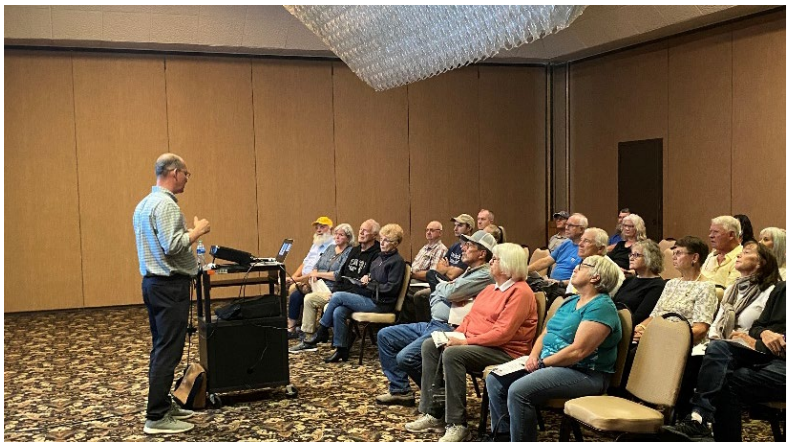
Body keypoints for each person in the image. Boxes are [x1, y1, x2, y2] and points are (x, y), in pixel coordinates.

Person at [404, 243, 538, 442]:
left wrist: (465, 342)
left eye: (496, 259)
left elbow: (502, 334)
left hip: (506, 351)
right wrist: (455, 336)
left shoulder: (520, 292)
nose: (490, 262)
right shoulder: (491, 289)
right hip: (481, 344)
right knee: (431, 345)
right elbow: (469, 319)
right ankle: (435, 412)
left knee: (453, 354)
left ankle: (457, 423)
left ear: (509, 265)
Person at [486, 255, 623, 442]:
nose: (575, 268)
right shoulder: (570, 301)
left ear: (596, 277)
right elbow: (546, 332)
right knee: (495, 379)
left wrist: (542, 363)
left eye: (582, 266)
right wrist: (533, 357)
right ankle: (502, 436)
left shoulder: (602, 307)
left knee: (519, 391)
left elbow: (578, 351)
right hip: (551, 364)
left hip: (584, 373)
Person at [133, 153, 210, 435]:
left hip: (153, 284)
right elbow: (172, 246)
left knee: (161, 347)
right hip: (169, 287)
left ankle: (163, 405)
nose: (188, 179)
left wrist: (185, 234)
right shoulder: (166, 206)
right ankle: (156, 416)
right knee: (169, 350)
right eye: (186, 174)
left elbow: (161, 243)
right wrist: (197, 232)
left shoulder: (144, 205)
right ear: (174, 172)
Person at [374, 230, 496, 407]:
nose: (462, 248)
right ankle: (401, 391)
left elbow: (449, 292)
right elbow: (445, 292)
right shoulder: (470, 271)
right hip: (434, 323)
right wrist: (444, 288)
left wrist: (443, 288)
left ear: (482, 253)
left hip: (450, 327)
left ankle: (441, 397)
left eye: (468, 245)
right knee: (386, 335)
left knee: (406, 357)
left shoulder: (484, 274)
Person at [662, 282, 785, 442]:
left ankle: (700, 421)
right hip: (766, 352)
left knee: (724, 378)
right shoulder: (782, 288)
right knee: (718, 347)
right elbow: (757, 326)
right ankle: (699, 418)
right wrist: (765, 333)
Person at [311, 223, 406, 363]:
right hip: (370, 297)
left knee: (337, 296)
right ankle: (341, 349)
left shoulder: (397, 262)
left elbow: (391, 288)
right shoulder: (379, 258)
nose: (382, 243)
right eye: (382, 239)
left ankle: (322, 329)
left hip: (381, 303)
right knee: (339, 310)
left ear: (396, 243)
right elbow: (374, 277)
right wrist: (368, 277)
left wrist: (371, 284)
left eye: (387, 240)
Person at [302, 219, 381, 346]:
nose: (361, 232)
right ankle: (340, 349)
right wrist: (336, 291)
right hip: (342, 293)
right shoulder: (355, 251)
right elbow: (341, 275)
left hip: (363, 296)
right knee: (314, 300)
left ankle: (322, 330)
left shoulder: (377, 254)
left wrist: (339, 293)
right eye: (360, 229)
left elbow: (369, 282)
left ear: (374, 235)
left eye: (365, 231)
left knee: (337, 299)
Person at [632, 236, 717, 346]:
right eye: (674, 253)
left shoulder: (706, 287)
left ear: (695, 258)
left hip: (681, 345)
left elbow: (700, 329)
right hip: (657, 338)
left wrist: (660, 335)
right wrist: (639, 329)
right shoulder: (671, 283)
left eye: (679, 253)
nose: (674, 257)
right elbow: (654, 316)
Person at [288, 223, 354, 353]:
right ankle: (307, 337)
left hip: (334, 289)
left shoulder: (349, 252)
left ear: (348, 237)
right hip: (318, 285)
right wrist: (314, 273)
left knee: (309, 299)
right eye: (336, 234)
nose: (337, 237)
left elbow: (338, 275)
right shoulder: (330, 248)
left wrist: (318, 274)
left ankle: (310, 338)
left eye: (341, 235)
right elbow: (316, 265)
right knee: (297, 292)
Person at [707, 241, 780, 342]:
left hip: (749, 348)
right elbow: (716, 324)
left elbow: (765, 330)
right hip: (720, 344)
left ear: (760, 263)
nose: (738, 255)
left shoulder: (770, 291)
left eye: (746, 252)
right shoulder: (731, 289)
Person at [286, 217, 335, 338]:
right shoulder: (316, 244)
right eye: (317, 227)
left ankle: (303, 327)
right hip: (307, 280)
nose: (319, 230)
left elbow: (317, 271)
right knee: (293, 291)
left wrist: (296, 280)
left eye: (322, 227)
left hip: (321, 283)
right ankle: (293, 327)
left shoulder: (332, 246)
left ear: (331, 229)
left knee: (295, 289)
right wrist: (293, 276)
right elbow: (305, 263)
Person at [613, 239, 666, 324]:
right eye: (631, 254)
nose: (631, 258)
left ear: (650, 258)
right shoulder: (629, 280)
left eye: (636, 255)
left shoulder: (657, 285)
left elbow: (640, 316)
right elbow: (614, 303)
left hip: (627, 327)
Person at [528, 213, 587, 287]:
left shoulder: (586, 250)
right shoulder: (566, 243)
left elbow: (584, 280)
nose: (566, 228)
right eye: (566, 225)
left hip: (567, 288)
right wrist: (525, 270)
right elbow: (545, 261)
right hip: (553, 284)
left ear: (581, 229)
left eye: (570, 226)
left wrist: (560, 283)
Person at [701, 215, 743, 288]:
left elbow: (730, 293)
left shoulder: (742, 258)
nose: (710, 235)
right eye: (711, 232)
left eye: (716, 232)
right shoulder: (711, 256)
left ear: (731, 235)